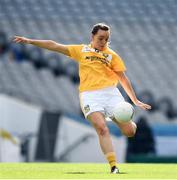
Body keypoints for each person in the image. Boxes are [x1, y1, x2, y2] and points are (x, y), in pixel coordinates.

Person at [13, 23, 151, 174]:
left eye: (106, 39)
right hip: (90, 95)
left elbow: (123, 79)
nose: (103, 42)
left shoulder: (112, 56)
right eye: (100, 38)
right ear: (92, 36)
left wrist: (135, 100)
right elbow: (54, 45)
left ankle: (128, 120)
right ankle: (113, 167)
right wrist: (30, 41)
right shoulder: (81, 50)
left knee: (129, 132)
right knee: (102, 128)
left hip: (111, 94)